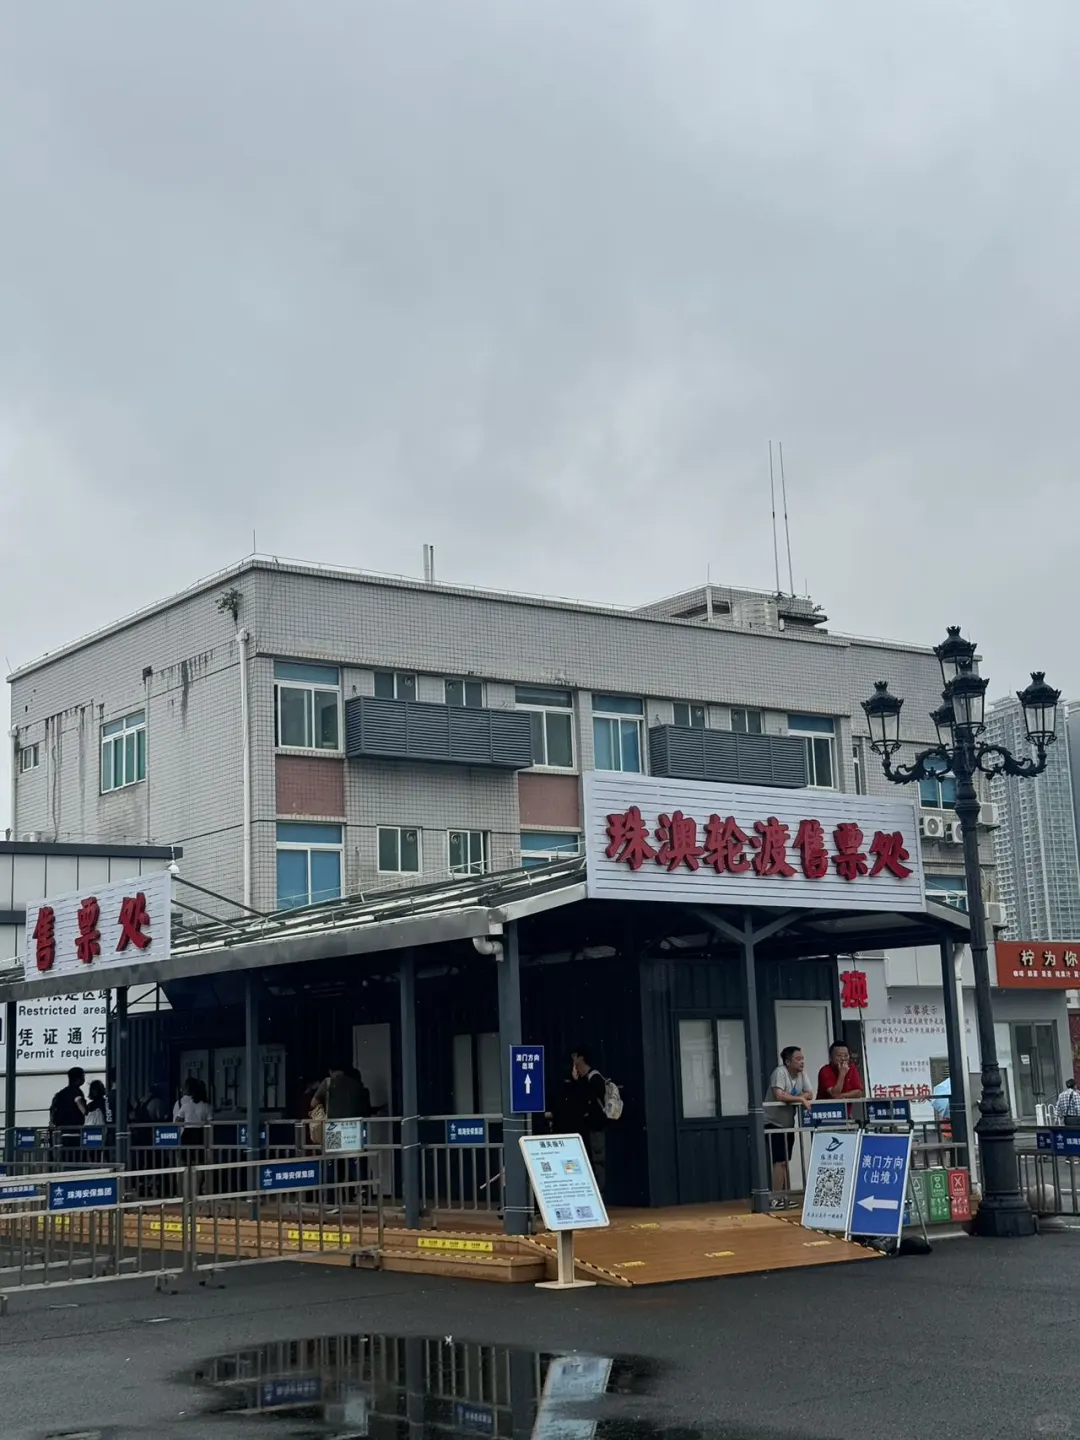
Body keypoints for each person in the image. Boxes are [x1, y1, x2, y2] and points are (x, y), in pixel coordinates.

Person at [764, 1046, 815, 1204]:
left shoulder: (801, 1074)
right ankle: (775, 1198)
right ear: (787, 1062)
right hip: (773, 1123)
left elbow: (810, 1093)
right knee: (779, 1161)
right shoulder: (780, 1072)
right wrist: (800, 1098)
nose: (802, 1062)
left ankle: (783, 1197)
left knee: (785, 1161)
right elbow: (779, 1095)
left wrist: (800, 1097)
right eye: (798, 1059)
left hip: (788, 1123)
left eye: (802, 1058)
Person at [569, 1047, 609, 1195]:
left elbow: (589, 1099)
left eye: (575, 1056)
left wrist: (577, 1082)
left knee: (598, 1161)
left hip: (596, 1127)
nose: (573, 1059)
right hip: (588, 1128)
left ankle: (599, 1194)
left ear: (581, 1058)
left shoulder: (594, 1079)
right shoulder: (584, 1079)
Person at [817, 1041, 865, 1109]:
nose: (843, 1058)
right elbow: (835, 1094)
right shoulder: (825, 1070)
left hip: (845, 1112)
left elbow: (858, 1093)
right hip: (825, 1111)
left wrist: (841, 1096)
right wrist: (842, 1074)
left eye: (846, 1055)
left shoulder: (851, 1068)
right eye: (839, 1055)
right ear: (831, 1057)